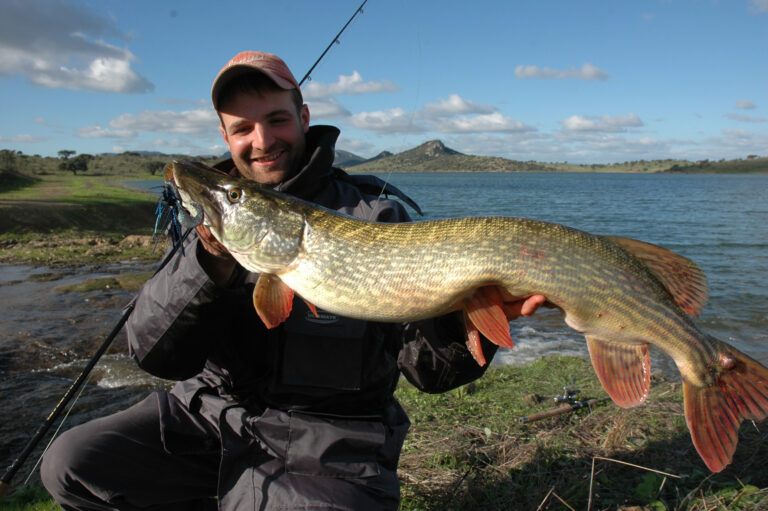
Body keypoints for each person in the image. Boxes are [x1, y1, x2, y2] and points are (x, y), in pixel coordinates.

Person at [40, 51, 546, 510]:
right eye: (242, 128)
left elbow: (430, 373)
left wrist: (471, 321)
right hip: (209, 419)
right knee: (74, 464)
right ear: (226, 136)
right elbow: (155, 355)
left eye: (277, 119)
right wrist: (209, 266)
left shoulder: (375, 216)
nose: (262, 141)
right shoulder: (212, 229)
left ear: (303, 118)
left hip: (330, 443)